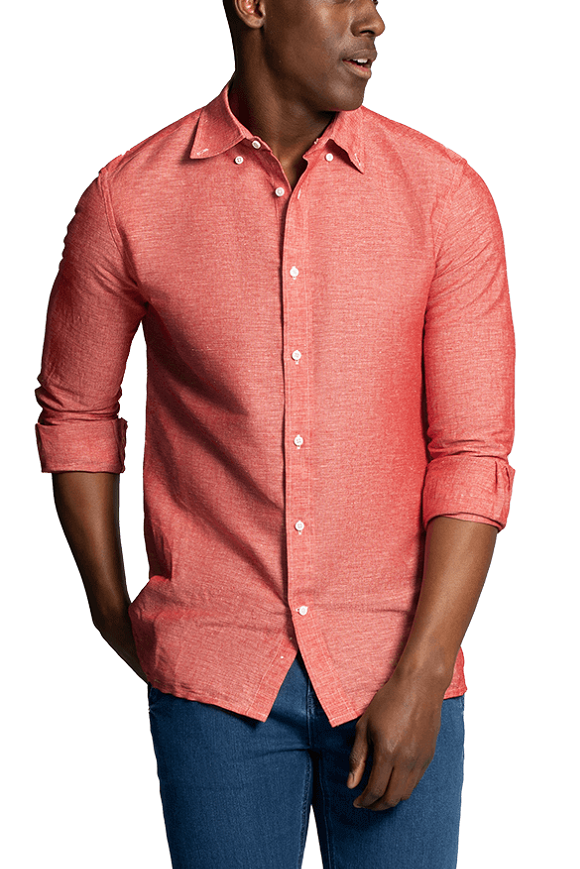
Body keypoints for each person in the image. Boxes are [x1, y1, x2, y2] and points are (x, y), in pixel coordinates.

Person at [34, 0, 515, 866]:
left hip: (396, 669)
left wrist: (422, 673)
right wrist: (113, 613)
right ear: (253, 4)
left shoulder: (445, 197)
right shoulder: (129, 199)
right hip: (213, 679)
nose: (374, 21)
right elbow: (76, 413)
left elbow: (472, 453)